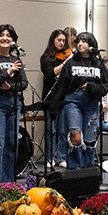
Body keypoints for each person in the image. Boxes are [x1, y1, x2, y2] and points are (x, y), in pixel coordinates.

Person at [51, 32, 108, 170]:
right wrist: (54, 105)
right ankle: (75, 170)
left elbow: (105, 86)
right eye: (78, 41)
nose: (80, 44)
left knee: (90, 139)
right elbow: (62, 85)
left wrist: (91, 86)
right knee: (76, 138)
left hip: (91, 101)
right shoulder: (71, 62)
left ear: (91, 44)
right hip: (73, 101)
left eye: (84, 41)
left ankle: (88, 170)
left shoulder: (98, 64)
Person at [0, 24, 28, 196]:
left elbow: (24, 83)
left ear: (13, 39)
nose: (5, 38)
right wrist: (7, 72)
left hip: (13, 102)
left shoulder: (16, 59)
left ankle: (8, 183)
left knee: (11, 144)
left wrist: (11, 87)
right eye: (1, 35)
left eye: (8, 35)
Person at [39, 29, 70, 168]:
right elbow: (50, 73)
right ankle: (50, 157)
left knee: (63, 130)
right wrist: (65, 63)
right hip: (50, 98)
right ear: (53, 40)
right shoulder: (45, 58)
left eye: (64, 40)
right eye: (59, 40)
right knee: (51, 130)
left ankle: (61, 157)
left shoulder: (68, 56)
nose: (62, 43)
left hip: (63, 96)